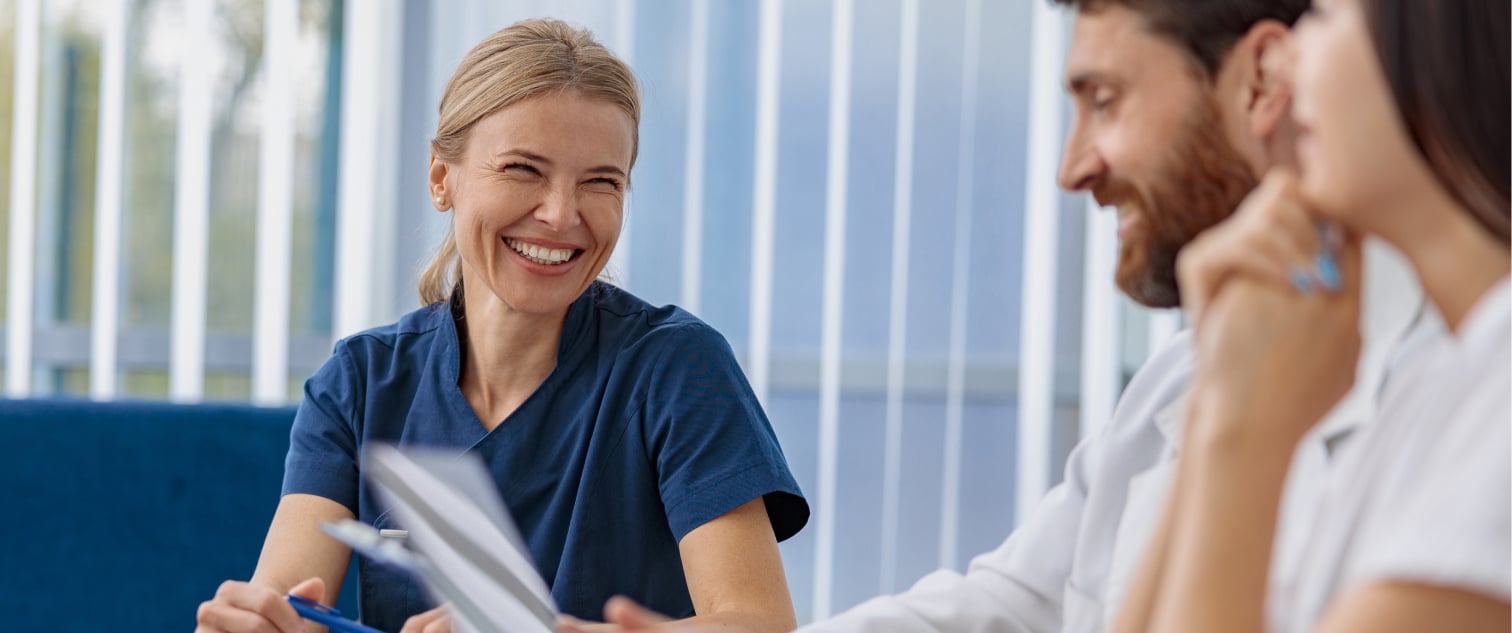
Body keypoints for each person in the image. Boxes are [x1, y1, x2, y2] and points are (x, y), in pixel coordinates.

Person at [589, 1, 1423, 632]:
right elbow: (1014, 601)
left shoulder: (1446, 378)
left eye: (1105, 99)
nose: (1071, 166)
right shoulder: (1183, 374)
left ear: (1263, 79)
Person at [194, 19, 809, 633]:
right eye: (523, 169)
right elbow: (284, 601)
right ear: (442, 178)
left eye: (601, 181)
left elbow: (758, 623)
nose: (561, 215)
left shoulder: (678, 368)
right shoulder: (359, 385)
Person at [1110, 0, 1509, 630]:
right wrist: (1219, 396)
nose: (1285, 60)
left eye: (1320, 15)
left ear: (1438, 34)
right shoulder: (1437, 390)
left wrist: (1244, 443)